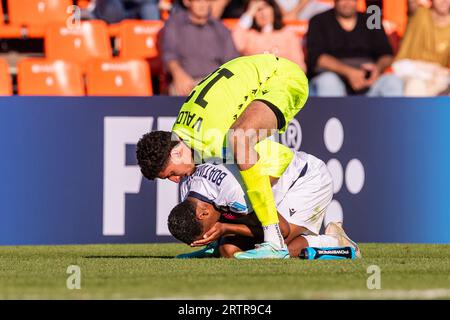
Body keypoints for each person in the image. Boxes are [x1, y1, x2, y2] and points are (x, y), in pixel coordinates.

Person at [136, 53, 309, 259]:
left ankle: (273, 239)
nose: (175, 180)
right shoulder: (183, 137)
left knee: (239, 138)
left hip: (282, 77)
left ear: (176, 152)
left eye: (171, 173)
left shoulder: (212, 140)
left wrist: (249, 202)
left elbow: (280, 155)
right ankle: (219, 241)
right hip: (260, 76)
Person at [168, 147, 360, 259]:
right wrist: (220, 237)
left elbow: (280, 230)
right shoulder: (188, 186)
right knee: (228, 250)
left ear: (202, 213)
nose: (208, 235)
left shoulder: (234, 193)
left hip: (306, 178)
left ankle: (335, 242)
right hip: (273, 189)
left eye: (206, 232)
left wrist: (225, 228)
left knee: (281, 246)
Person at [306, 0, 404, 96]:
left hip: (369, 81)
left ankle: (389, 113)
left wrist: (377, 69)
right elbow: (316, 57)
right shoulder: (319, 20)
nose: (347, 2)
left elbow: (387, 54)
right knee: (328, 82)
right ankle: (333, 113)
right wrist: (350, 73)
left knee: (392, 82)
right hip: (333, 77)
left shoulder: (372, 20)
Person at [161, 0, 239, 96]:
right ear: (187, 2)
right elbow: (169, 55)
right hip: (187, 83)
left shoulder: (220, 28)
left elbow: (232, 61)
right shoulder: (175, 24)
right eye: (198, 1)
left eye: (206, 1)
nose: (203, 5)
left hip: (215, 83)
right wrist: (179, 75)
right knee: (179, 91)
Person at [393, 0, 450, 96]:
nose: (444, 1)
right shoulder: (419, 13)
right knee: (416, 85)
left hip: (438, 77)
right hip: (409, 69)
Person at [232, 0, 307, 71]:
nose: (263, 13)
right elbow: (235, 46)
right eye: (258, 9)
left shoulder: (287, 32)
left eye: (265, 7)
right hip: (257, 79)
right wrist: (249, 13)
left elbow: (300, 65)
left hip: (284, 78)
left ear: (273, 9)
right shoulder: (249, 35)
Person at [86, 0, 161, 23]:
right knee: (112, 10)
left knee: (149, 7)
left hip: (135, 8)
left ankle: (153, 49)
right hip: (111, 8)